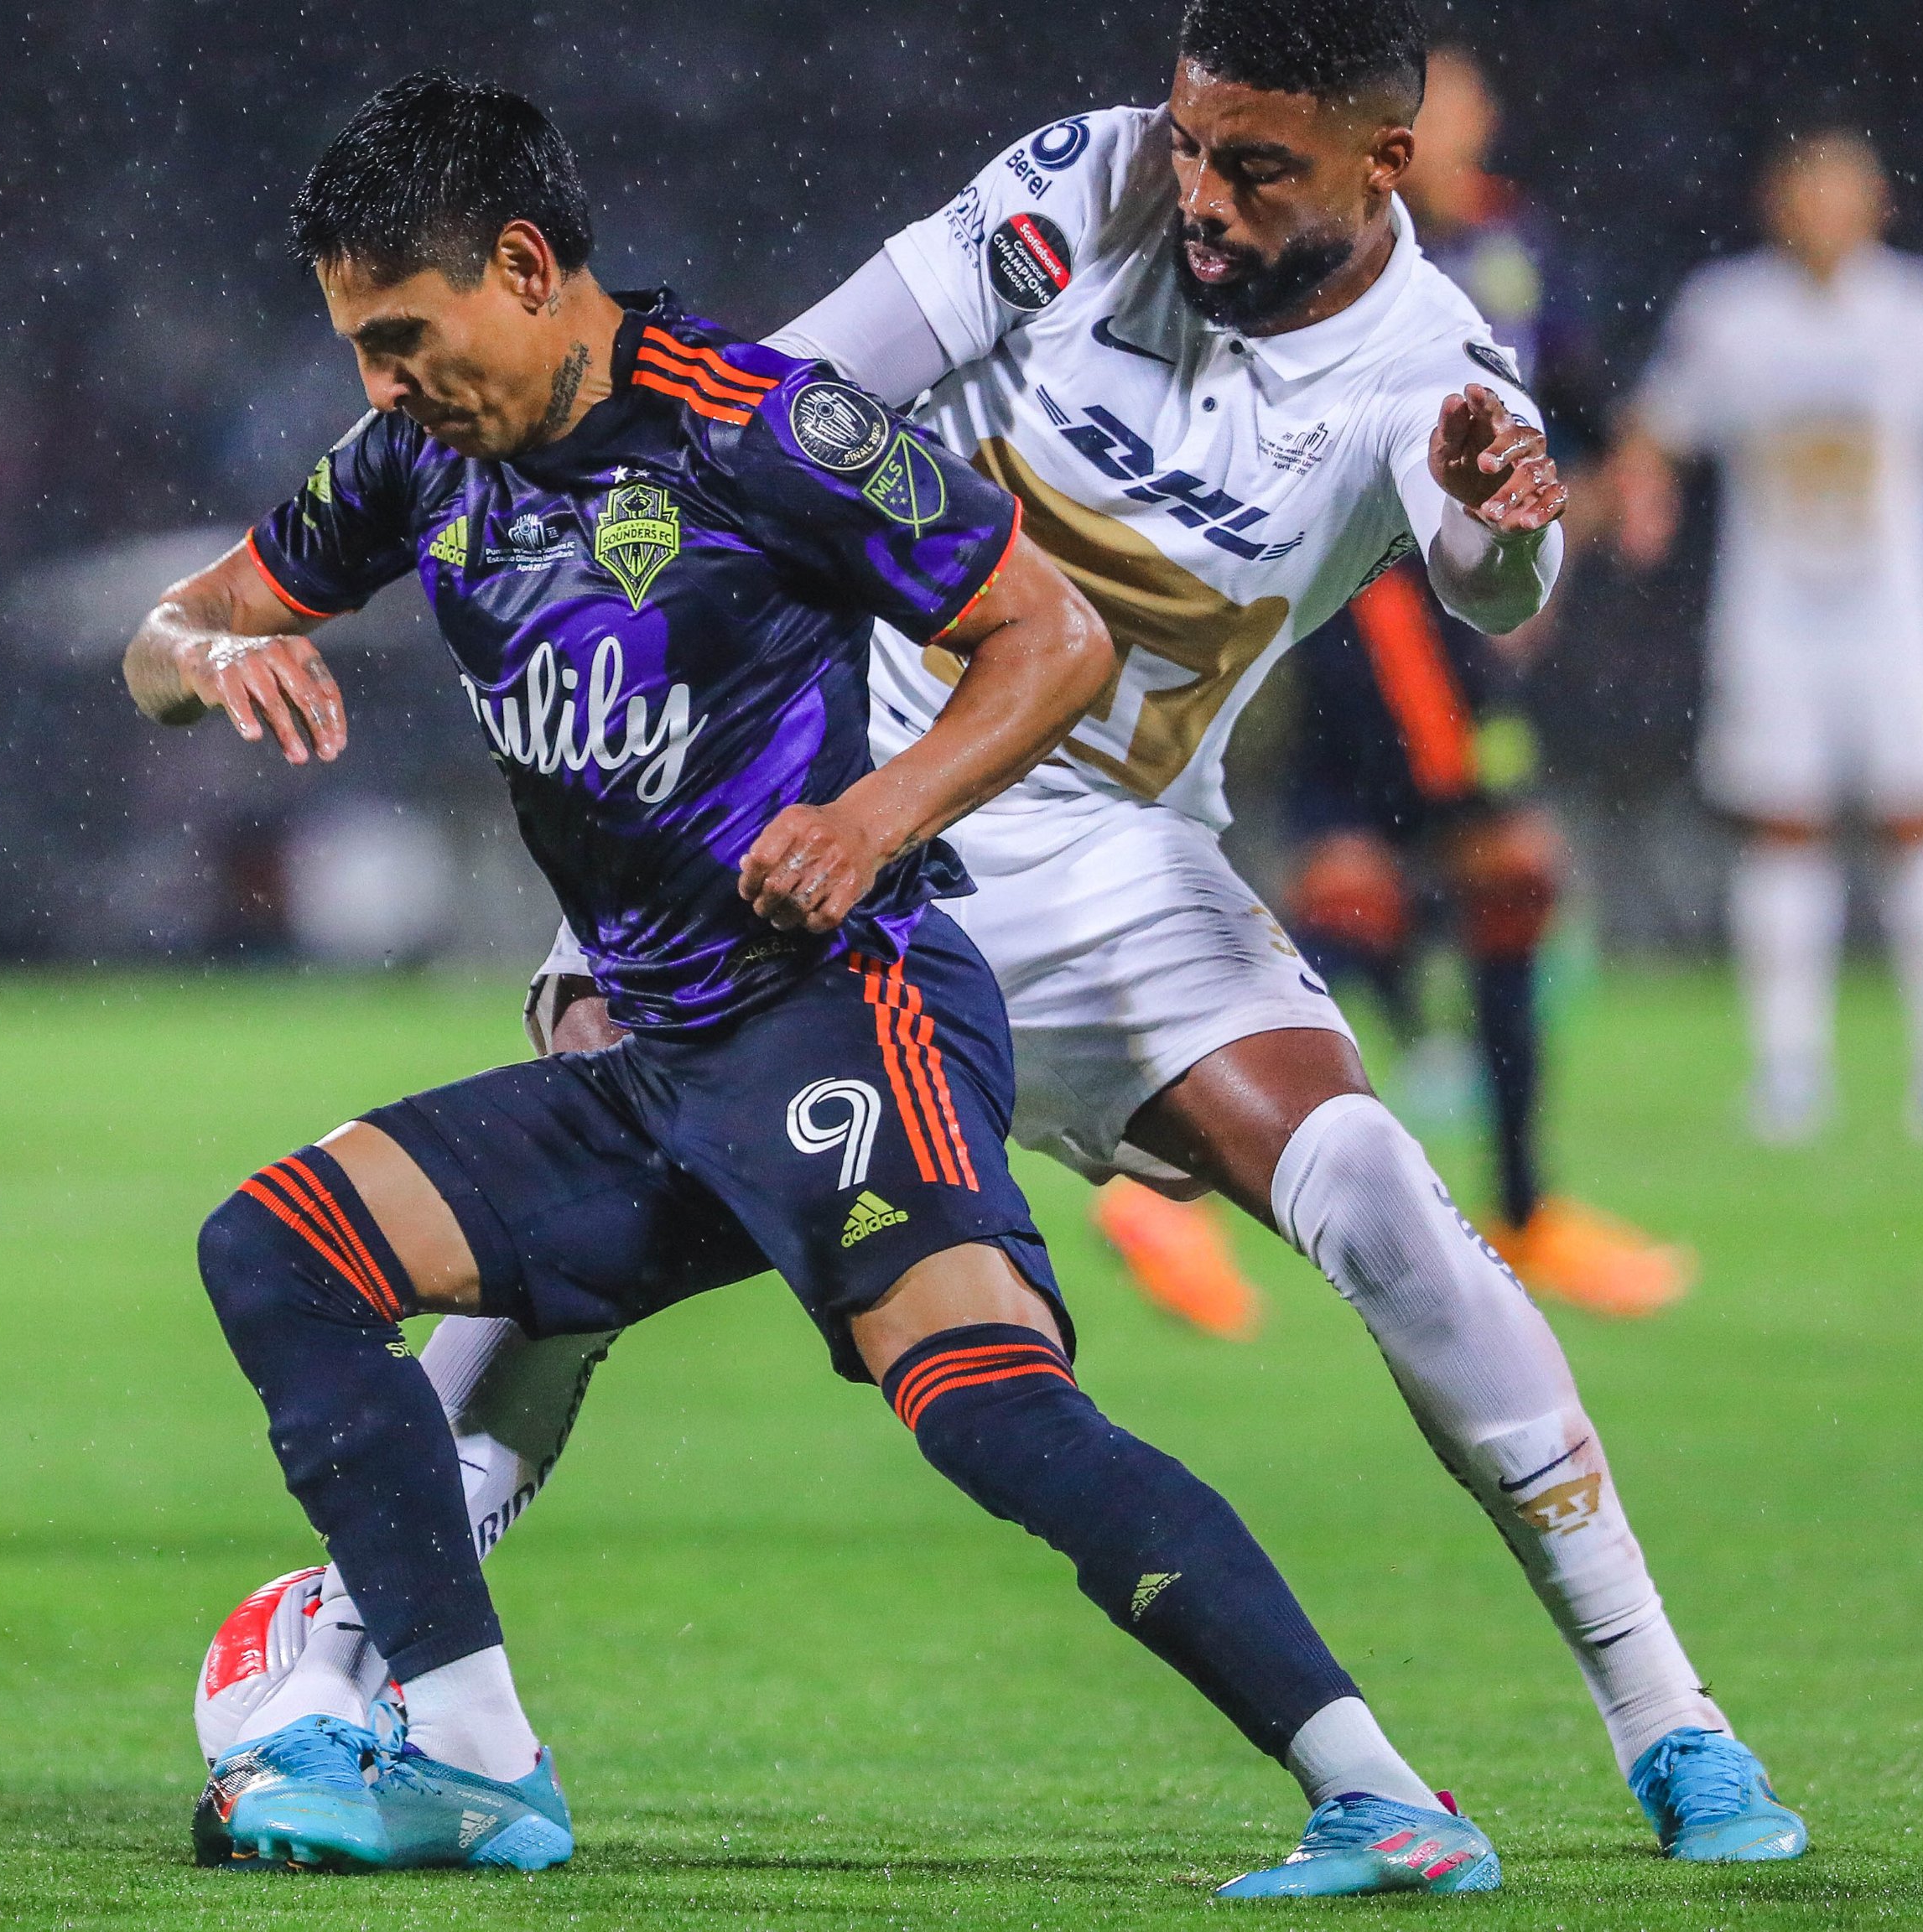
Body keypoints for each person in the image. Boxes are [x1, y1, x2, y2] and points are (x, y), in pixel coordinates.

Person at [228, 0, 1806, 1869]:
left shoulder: (1435, 368)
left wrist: (1499, 523)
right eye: (1190, 140)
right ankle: (348, 1672)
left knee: (1376, 1193)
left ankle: (1668, 1724)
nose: (1198, 194)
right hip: (810, 822)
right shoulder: (1079, 184)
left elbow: (1490, 578)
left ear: (1383, 164)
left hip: (1117, 865)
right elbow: (784, 390)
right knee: (552, 1268)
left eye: (1254, 167)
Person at [1120, 43, 1688, 1337]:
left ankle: (1174, 1184)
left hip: (1457, 614)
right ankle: (1516, 1207)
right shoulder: (1353, 259)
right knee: (1506, 874)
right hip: (1388, 606)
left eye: (1463, 98)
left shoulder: (1516, 241)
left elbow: (1579, 398)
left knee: (1360, 886)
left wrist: (1603, 491)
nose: (1445, 125)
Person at [1609, 129, 1923, 1145]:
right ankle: (1788, 1073)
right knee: (1781, 826)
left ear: (1877, 205)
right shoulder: (1731, 314)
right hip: (1774, 618)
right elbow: (1658, 431)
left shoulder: (1920, 311)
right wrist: (1639, 492)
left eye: (1844, 194)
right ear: (1778, 204)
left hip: (1899, 615)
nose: (1824, 213)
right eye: (1808, 193)